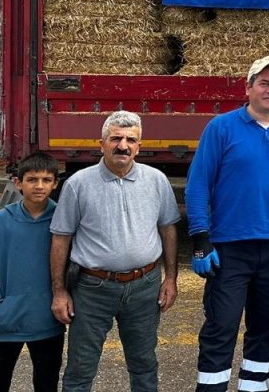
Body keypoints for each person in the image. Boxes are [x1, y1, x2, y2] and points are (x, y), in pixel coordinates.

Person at [187, 55, 269, 392]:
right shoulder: (221, 127)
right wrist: (200, 240)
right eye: (263, 83)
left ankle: (254, 387)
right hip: (230, 247)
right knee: (222, 326)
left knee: (266, 327)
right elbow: (198, 184)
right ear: (248, 88)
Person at [49, 111, 181, 392]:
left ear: (139, 146)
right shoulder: (78, 184)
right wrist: (59, 292)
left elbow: (168, 229)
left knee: (144, 364)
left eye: (130, 140)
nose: (123, 145)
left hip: (145, 287)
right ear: (101, 144)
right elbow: (61, 238)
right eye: (116, 138)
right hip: (92, 288)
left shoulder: (156, 180)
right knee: (80, 368)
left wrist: (170, 279)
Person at [0, 152, 65, 392]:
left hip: (47, 322)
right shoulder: (0, 221)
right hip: (6, 323)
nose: (39, 186)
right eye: (32, 179)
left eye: (46, 180)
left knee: (46, 384)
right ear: (18, 183)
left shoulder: (62, 221)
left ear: (55, 183)